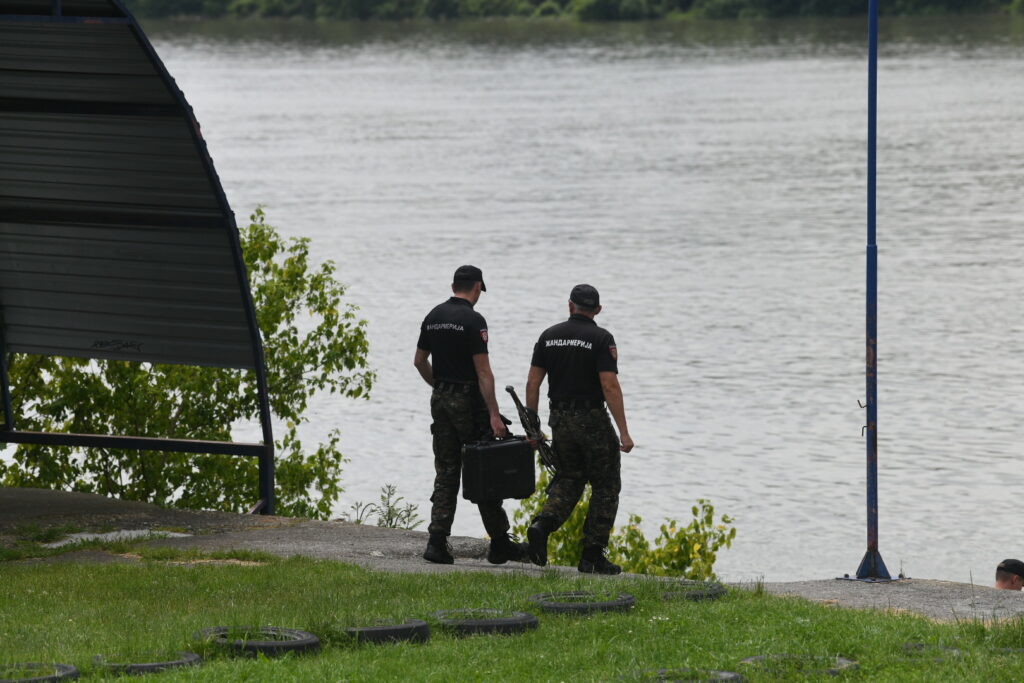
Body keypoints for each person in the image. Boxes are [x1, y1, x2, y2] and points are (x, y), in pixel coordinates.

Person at [413, 265, 528, 566]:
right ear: (477, 288)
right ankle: (501, 543)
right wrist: (494, 414)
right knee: (483, 468)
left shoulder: (434, 316)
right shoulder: (473, 320)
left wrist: (439, 386)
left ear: (453, 285)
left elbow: (419, 361)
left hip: (440, 401)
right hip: (468, 402)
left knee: (447, 470)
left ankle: (437, 542)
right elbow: (483, 373)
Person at [523, 284, 634, 575]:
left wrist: (532, 427)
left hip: (559, 419)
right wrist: (623, 431)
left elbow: (533, 383)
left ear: (570, 305)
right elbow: (609, 385)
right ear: (597, 310)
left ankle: (541, 525)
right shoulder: (601, 338)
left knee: (569, 478)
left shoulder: (549, 336)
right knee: (606, 485)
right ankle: (592, 555)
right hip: (592, 419)